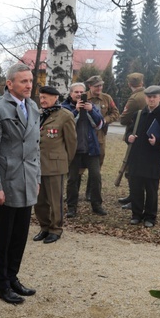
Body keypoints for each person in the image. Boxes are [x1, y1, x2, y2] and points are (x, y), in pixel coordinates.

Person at [0, 63, 39, 305]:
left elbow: (36, 148)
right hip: (6, 182)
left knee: (20, 235)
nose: (28, 85)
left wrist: (37, 179)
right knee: (4, 235)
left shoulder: (33, 107)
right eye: (23, 81)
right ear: (10, 84)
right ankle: (2, 284)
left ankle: (13, 276)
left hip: (27, 180)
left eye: (30, 80)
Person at [124, 85, 160, 228]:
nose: (151, 99)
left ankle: (150, 217)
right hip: (136, 158)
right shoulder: (138, 115)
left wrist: (158, 141)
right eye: (149, 97)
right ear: (145, 98)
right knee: (135, 188)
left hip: (153, 159)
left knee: (151, 190)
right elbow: (128, 132)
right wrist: (129, 137)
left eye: (154, 97)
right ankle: (136, 214)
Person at [33, 86, 76, 244]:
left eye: (45, 97)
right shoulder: (37, 114)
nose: (42, 100)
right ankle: (44, 227)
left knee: (54, 200)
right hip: (37, 165)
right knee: (39, 200)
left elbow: (71, 143)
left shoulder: (65, 116)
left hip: (55, 165)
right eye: (41, 97)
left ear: (55, 98)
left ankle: (55, 229)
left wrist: (65, 162)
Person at [62, 82, 107, 217]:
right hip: (73, 150)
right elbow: (65, 125)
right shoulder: (65, 108)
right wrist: (76, 110)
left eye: (82, 92)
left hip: (91, 148)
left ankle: (97, 205)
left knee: (95, 177)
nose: (79, 94)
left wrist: (91, 111)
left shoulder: (91, 106)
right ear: (71, 94)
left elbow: (99, 125)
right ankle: (71, 207)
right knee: (72, 179)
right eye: (76, 92)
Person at [85, 75, 119, 201]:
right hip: (84, 134)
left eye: (101, 85)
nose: (99, 88)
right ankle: (73, 193)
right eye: (96, 86)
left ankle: (91, 192)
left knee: (97, 165)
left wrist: (105, 121)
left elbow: (115, 113)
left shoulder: (106, 98)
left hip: (99, 135)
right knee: (79, 165)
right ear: (90, 86)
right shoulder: (83, 97)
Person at [118, 72, 147, 207]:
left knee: (132, 169)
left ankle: (135, 198)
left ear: (129, 84)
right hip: (146, 137)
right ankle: (133, 196)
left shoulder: (134, 98)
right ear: (142, 82)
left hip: (134, 136)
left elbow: (123, 120)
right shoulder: (149, 95)